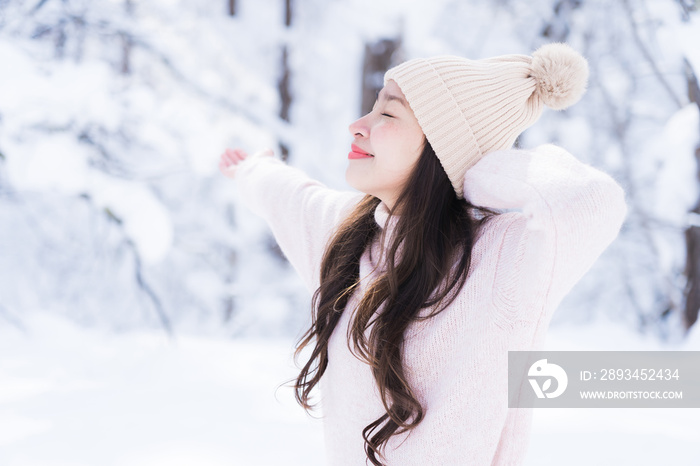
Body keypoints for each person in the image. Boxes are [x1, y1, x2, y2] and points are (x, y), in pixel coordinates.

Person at [218, 42, 627, 466]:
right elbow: (290, 196)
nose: (358, 125)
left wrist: (476, 168)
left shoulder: (504, 258)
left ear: (441, 147)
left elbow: (591, 202)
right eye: (373, 108)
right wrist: (252, 170)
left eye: (388, 114)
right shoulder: (347, 239)